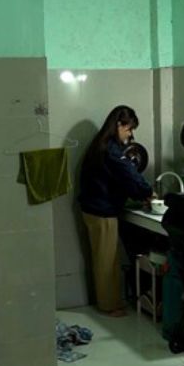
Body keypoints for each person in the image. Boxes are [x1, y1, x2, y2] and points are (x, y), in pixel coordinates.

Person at [78, 105, 154, 317]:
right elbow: (128, 174)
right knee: (107, 260)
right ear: (119, 125)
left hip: (93, 208)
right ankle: (110, 306)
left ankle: (107, 301)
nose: (130, 135)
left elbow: (120, 177)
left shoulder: (100, 144)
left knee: (103, 257)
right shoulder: (111, 150)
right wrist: (148, 192)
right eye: (129, 129)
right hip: (101, 211)